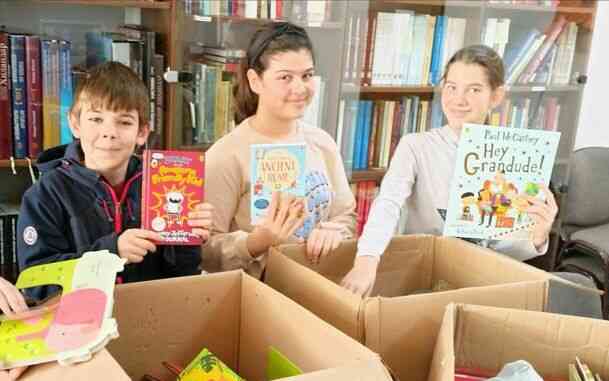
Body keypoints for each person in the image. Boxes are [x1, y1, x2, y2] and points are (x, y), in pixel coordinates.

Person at [340, 45, 559, 297]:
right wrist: (366, 260)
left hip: (483, 282)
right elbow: (388, 203)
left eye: (474, 90)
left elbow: (503, 249)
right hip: (423, 278)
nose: (458, 99)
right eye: (451, 87)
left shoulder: (515, 155)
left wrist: (537, 235)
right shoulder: (416, 145)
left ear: (496, 96)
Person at [17, 62, 214, 301]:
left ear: (142, 133)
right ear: (75, 124)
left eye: (124, 122)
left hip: (149, 319)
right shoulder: (45, 195)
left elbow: (182, 275)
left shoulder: (162, 185)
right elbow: (36, 283)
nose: (109, 132)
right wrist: (111, 252)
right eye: (96, 119)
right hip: (76, 328)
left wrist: (187, 238)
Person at [203, 22, 356, 278]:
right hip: (255, 298)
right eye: (285, 77)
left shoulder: (323, 143)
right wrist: (257, 241)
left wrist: (334, 231)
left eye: (307, 75)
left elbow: (347, 217)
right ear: (255, 81)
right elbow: (205, 252)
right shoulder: (225, 155)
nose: (300, 88)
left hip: (317, 288)